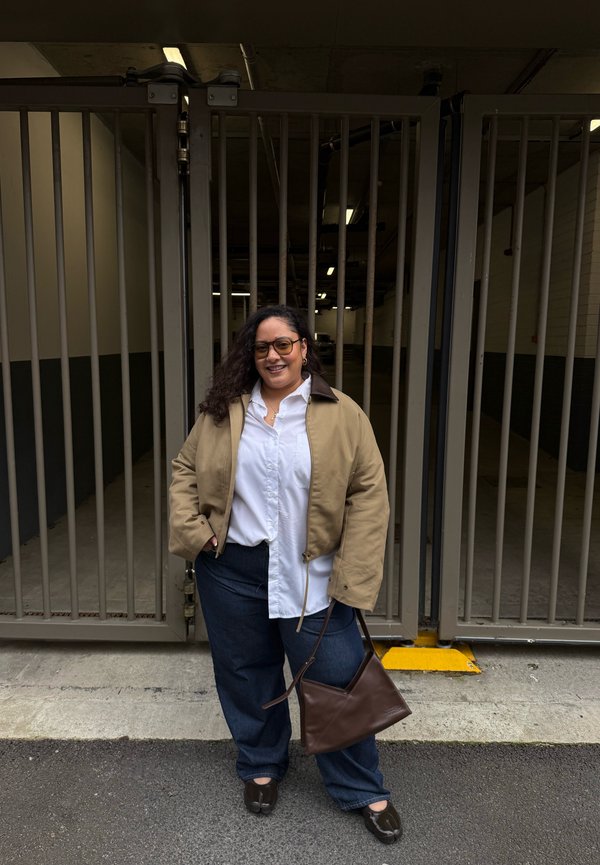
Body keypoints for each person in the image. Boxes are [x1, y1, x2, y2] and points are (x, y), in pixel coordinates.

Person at [168, 305, 402, 845]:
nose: (273, 355)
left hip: (312, 570)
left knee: (336, 678)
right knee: (245, 672)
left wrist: (354, 571)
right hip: (232, 567)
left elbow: (369, 494)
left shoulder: (342, 413)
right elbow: (184, 469)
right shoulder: (223, 412)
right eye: (261, 347)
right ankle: (261, 764)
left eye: (283, 344)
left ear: (303, 348)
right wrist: (197, 535)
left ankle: (362, 786)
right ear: (250, 356)